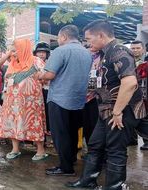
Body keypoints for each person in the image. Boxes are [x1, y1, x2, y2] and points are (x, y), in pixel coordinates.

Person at [67, 20, 146, 189]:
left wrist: (117, 112)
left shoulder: (119, 51)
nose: (88, 43)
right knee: (95, 145)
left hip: (121, 111)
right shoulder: (104, 54)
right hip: (106, 111)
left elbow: (130, 83)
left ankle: (114, 186)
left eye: (89, 38)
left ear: (101, 35)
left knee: (115, 150)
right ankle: (88, 181)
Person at [39, 25, 92, 176]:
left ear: (63, 36)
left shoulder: (60, 51)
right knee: (73, 132)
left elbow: (49, 75)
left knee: (60, 133)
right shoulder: (86, 52)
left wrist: (39, 76)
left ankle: (65, 167)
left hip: (59, 98)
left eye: (58, 38)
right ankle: (71, 158)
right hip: (79, 99)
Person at [0, 39, 48, 161]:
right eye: (12, 51)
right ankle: (15, 149)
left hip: (31, 102)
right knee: (14, 123)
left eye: (15, 50)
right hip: (12, 102)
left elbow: (46, 78)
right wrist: (9, 53)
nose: (13, 53)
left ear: (23, 48)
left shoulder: (36, 61)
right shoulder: (13, 63)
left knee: (34, 123)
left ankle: (40, 151)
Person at [33, 42, 52, 147]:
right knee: (38, 115)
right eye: (39, 52)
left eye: (43, 52)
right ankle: (38, 139)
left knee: (47, 115)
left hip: (47, 91)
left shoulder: (51, 63)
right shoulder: (33, 64)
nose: (41, 54)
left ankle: (46, 138)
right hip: (36, 92)